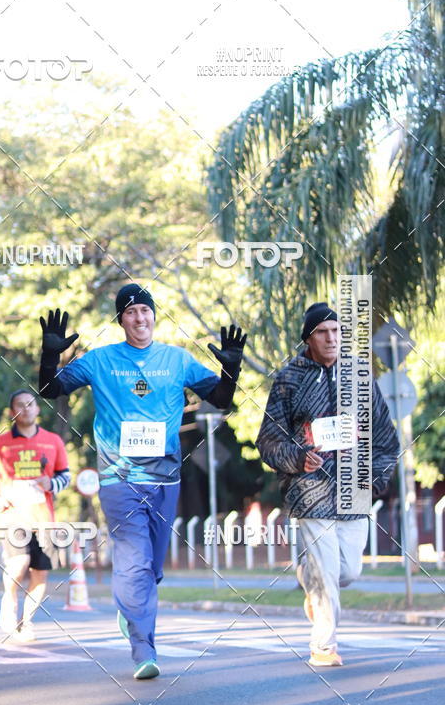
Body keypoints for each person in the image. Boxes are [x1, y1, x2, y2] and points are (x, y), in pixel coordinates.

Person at [38, 283, 246, 679]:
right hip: (119, 478)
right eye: (130, 312)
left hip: (165, 478)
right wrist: (50, 355)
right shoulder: (100, 360)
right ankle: (144, 649)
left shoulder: (176, 360)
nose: (139, 318)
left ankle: (130, 609)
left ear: (154, 316)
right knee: (134, 562)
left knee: (151, 569)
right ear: (121, 320)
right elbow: (50, 388)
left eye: (145, 311)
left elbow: (220, 399)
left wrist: (231, 370)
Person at [256, 302, 399, 667]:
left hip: (354, 489)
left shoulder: (359, 379)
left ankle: (308, 579)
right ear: (308, 338)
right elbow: (268, 441)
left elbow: (385, 440)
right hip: (310, 491)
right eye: (322, 332)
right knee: (326, 572)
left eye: (336, 331)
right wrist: (298, 458)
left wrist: (374, 479)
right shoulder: (289, 378)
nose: (331, 338)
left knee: (347, 571)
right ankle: (323, 646)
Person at [0, 389, 71, 642]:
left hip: (43, 519)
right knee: (17, 567)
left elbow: (66, 475)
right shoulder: (0, 443)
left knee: (40, 574)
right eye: (20, 405)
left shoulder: (53, 441)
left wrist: (50, 484)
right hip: (12, 518)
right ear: (12, 412)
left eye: (31, 404)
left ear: (38, 409)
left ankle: (26, 621)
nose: (26, 408)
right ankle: (9, 602)